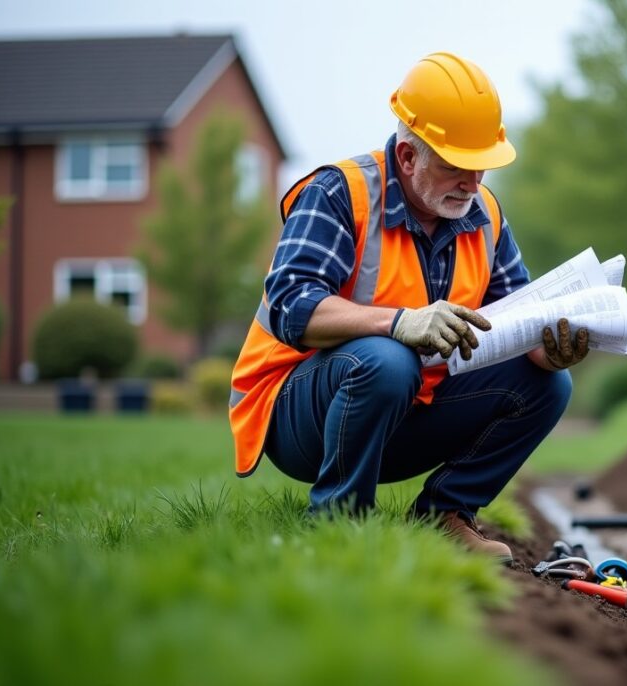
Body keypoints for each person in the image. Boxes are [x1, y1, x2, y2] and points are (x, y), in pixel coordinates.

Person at [228, 52, 588, 565]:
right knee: (388, 359)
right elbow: (291, 306)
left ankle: (443, 516)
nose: (472, 181)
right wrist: (400, 322)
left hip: (406, 410)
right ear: (407, 157)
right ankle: (340, 524)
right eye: (454, 165)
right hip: (297, 415)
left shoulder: (483, 215)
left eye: (480, 164)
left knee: (551, 385)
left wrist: (552, 354)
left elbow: (515, 322)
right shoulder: (339, 193)